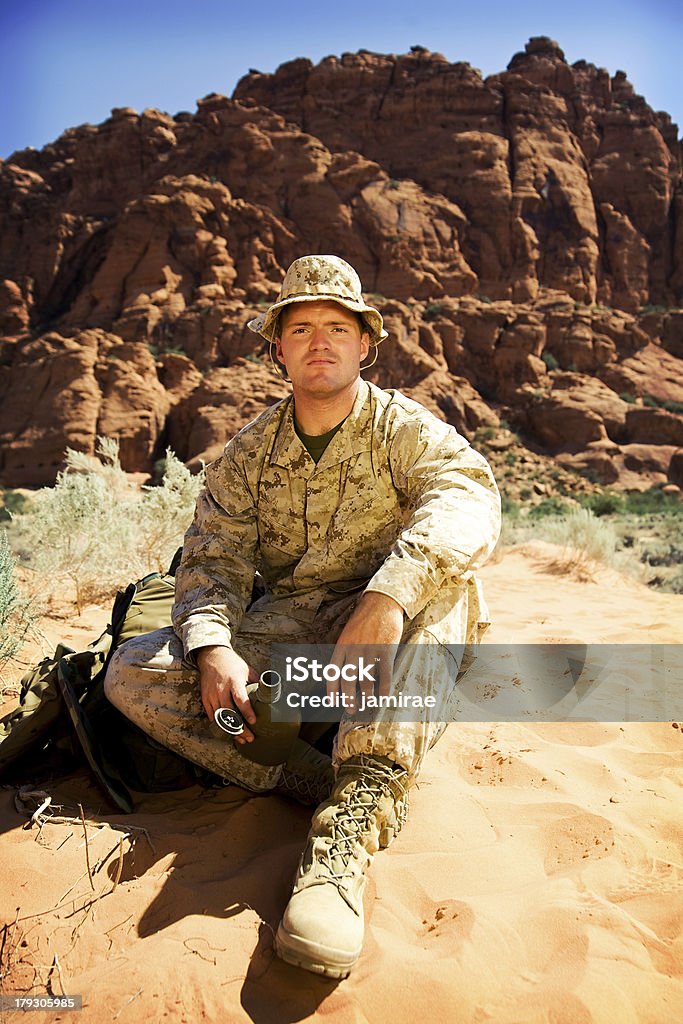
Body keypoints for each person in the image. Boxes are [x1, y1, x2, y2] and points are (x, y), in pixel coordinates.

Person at [105, 254, 501, 979]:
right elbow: (211, 562)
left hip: (390, 631)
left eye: (336, 327)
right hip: (297, 632)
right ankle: (318, 781)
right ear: (277, 348)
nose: (319, 341)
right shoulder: (247, 454)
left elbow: (468, 493)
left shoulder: (402, 429)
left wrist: (387, 597)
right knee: (133, 673)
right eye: (301, 328)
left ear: (363, 345)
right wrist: (213, 646)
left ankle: (350, 827)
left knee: (450, 588)